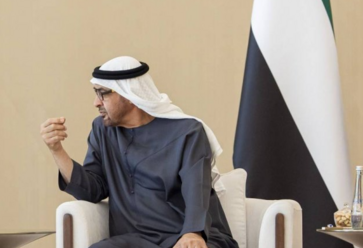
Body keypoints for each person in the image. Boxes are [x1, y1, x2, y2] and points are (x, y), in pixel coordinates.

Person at [41, 56, 238, 248]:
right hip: (137, 240)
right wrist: (56, 150)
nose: (96, 102)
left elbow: (197, 188)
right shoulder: (103, 131)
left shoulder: (188, 132)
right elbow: (93, 190)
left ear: (130, 95)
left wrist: (193, 233)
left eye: (103, 93)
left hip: (192, 235)